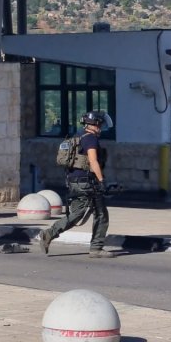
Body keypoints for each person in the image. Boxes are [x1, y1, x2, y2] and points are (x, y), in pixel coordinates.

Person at [40, 110, 116, 258]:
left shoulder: (78, 136)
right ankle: (95, 248)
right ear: (95, 124)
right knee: (99, 214)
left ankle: (50, 234)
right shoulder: (91, 139)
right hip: (87, 182)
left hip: (76, 181)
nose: (101, 127)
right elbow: (93, 161)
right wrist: (102, 181)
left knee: (81, 214)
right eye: (100, 124)